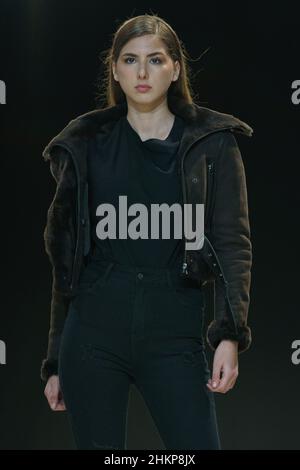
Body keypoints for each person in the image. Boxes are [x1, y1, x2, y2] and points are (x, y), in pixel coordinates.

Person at [41, 13, 253, 450]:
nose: (142, 72)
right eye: (130, 60)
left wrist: (229, 335)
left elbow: (233, 244)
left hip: (174, 330)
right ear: (115, 71)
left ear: (176, 68)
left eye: (155, 60)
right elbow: (67, 259)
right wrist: (56, 360)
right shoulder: (85, 142)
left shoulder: (212, 142)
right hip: (94, 334)